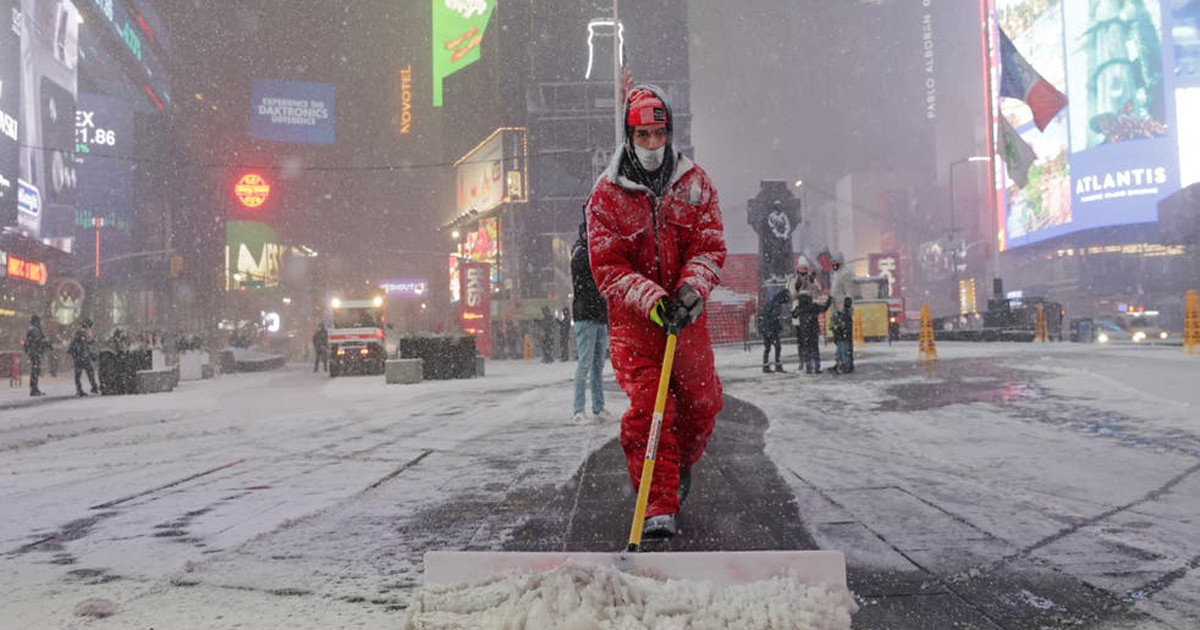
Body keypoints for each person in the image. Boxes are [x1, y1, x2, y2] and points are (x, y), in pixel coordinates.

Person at [586, 85, 727, 539]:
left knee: (701, 405)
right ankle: (657, 503)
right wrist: (652, 300)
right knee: (652, 410)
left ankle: (676, 466)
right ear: (629, 136)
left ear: (670, 132)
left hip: (686, 320)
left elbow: (709, 245)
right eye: (643, 135)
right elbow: (607, 266)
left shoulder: (696, 184)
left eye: (659, 133)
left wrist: (691, 289)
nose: (652, 144)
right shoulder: (605, 196)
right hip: (636, 326)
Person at [571, 220, 614, 424]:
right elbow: (590, 274)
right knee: (585, 364)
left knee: (598, 365)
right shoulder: (580, 253)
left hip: (599, 315)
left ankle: (599, 407)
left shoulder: (595, 253)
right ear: (583, 234)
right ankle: (578, 410)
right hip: (585, 316)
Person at [757, 289, 791, 373]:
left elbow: (765, 315)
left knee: (767, 348)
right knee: (777, 347)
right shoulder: (776, 304)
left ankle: (765, 366)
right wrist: (779, 327)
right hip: (771, 329)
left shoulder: (771, 302)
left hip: (765, 328)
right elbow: (774, 318)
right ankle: (778, 365)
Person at [793, 292, 825, 374]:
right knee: (815, 349)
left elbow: (794, 315)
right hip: (813, 331)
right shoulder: (814, 306)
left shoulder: (800, 308)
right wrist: (829, 301)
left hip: (804, 331)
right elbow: (823, 308)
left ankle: (808, 367)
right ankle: (817, 367)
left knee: (807, 350)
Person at [68, 319, 99, 396]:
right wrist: (91, 354)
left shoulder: (79, 332)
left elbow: (75, 344)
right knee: (89, 372)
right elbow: (85, 345)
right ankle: (94, 387)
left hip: (78, 356)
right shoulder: (84, 332)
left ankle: (80, 389)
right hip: (83, 356)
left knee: (78, 374)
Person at [24, 315, 48, 396]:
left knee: (35, 370)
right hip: (35, 352)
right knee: (35, 370)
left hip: (33, 352)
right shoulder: (35, 329)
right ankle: (34, 389)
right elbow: (38, 341)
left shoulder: (32, 329)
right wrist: (45, 342)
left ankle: (34, 388)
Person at [830, 297, 854, 374]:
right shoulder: (846, 312)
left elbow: (839, 324)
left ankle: (843, 364)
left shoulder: (843, 312)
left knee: (842, 350)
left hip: (842, 334)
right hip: (844, 334)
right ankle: (844, 364)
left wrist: (836, 328)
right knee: (843, 350)